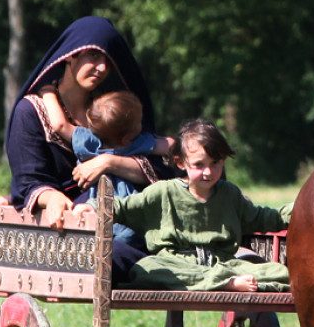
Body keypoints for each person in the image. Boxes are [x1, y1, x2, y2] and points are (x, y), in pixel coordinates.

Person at [4, 16, 157, 236]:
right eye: (93, 56)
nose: (102, 67)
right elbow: (29, 182)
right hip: (63, 229)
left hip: (124, 225)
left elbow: (155, 164)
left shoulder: (113, 109)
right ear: (69, 56)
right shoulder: (30, 112)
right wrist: (53, 197)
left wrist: (109, 162)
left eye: (108, 59)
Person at [111, 120, 290, 293]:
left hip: (223, 265)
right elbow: (121, 207)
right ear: (181, 162)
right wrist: (92, 208)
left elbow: (264, 217)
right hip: (176, 264)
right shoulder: (163, 192)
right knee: (146, 269)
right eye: (199, 164)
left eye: (215, 163)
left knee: (281, 273)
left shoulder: (230, 194)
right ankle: (223, 283)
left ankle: (220, 280)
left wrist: (299, 211)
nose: (208, 172)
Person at [69, 87, 179, 251]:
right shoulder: (136, 143)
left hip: (94, 199)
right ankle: (116, 255)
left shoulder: (85, 142)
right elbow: (170, 145)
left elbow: (59, 125)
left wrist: (48, 93)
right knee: (131, 230)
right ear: (127, 138)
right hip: (124, 203)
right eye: (139, 122)